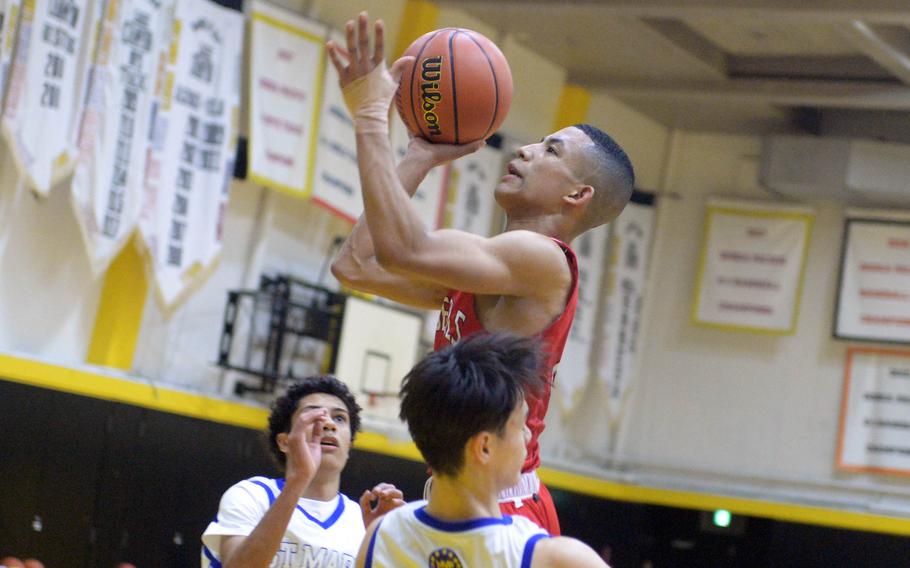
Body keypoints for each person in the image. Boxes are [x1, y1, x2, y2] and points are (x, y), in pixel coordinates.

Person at [328, 13, 635, 535]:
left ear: (577, 196)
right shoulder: (494, 271)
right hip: (455, 491)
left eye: (550, 150)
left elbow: (402, 248)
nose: (524, 149)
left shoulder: (542, 259)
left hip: (505, 505)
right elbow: (355, 266)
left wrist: (370, 116)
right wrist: (419, 156)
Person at [357, 333, 609, 567]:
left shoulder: (380, 537)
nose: (528, 434)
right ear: (485, 447)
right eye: (520, 425)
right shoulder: (551, 558)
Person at [201, 376, 404, 568]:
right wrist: (298, 480)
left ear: (349, 445)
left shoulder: (359, 522)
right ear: (285, 442)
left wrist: (377, 544)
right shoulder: (252, 495)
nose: (329, 424)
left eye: (340, 418)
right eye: (314, 415)